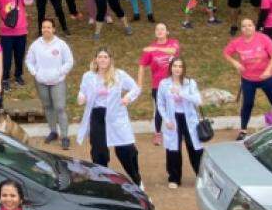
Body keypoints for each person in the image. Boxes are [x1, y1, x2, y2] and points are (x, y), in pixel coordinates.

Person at [76, 49, 142, 186]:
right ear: (95, 59)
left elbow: (136, 88)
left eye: (105, 57)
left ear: (110, 59)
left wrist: (127, 98)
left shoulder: (119, 75)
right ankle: (102, 181)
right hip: (97, 115)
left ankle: (137, 179)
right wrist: (81, 97)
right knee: (99, 151)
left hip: (115, 115)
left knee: (126, 149)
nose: (102, 59)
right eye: (100, 57)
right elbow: (82, 91)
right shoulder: (89, 76)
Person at [224, 18, 272, 139]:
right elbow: (226, 53)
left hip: (267, 78)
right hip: (248, 80)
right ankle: (243, 130)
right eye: (244, 26)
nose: (247, 28)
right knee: (247, 104)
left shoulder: (263, 38)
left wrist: (268, 69)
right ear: (241, 29)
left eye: (249, 25)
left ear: (254, 27)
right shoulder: (237, 42)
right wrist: (235, 63)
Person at [24, 19, 73, 149]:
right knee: (47, 106)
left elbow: (69, 61)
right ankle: (53, 131)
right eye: (44, 27)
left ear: (54, 29)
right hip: (41, 81)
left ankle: (65, 136)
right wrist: (35, 73)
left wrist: (59, 72)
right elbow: (29, 61)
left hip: (57, 81)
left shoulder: (61, 44)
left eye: (49, 27)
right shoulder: (35, 45)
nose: (46, 29)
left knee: (60, 107)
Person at [156, 58, 204, 188]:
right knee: (173, 149)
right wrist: (166, 120)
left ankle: (202, 177)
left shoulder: (190, 83)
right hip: (173, 119)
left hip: (189, 120)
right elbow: (160, 104)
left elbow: (198, 100)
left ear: (183, 69)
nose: (177, 69)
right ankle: (174, 178)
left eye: (180, 66)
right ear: (171, 67)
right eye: (175, 66)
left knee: (195, 148)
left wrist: (181, 93)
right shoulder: (164, 84)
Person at [136, 23, 181, 144]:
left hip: (174, 83)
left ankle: (178, 131)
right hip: (158, 85)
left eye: (162, 29)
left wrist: (156, 49)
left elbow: (173, 51)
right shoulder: (150, 49)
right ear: (155, 32)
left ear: (167, 32)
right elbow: (141, 65)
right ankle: (157, 133)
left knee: (177, 106)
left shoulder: (173, 43)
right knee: (159, 109)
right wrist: (139, 84)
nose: (160, 31)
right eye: (157, 29)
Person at [0, 0, 34, 89]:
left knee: (19, 55)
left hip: (21, 32)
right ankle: (5, 78)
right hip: (6, 33)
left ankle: (18, 75)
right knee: (6, 57)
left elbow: (31, 0)